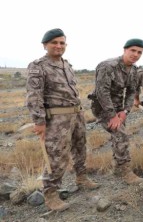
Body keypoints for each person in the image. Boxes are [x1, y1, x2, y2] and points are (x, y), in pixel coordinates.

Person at [26, 28, 99, 212]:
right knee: (57, 156)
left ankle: (81, 178)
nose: (59, 46)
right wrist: (39, 121)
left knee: (80, 148)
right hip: (56, 120)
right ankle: (51, 194)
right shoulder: (38, 66)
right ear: (45, 45)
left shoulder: (66, 65)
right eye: (54, 43)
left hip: (76, 115)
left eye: (62, 43)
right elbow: (34, 96)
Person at [89, 39, 143, 184]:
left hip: (119, 108)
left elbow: (132, 92)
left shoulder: (133, 70)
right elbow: (102, 92)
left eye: (139, 52)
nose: (136, 54)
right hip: (102, 107)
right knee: (122, 135)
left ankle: (116, 168)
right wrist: (112, 115)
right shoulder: (108, 66)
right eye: (133, 50)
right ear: (125, 50)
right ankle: (125, 171)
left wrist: (125, 111)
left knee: (118, 136)